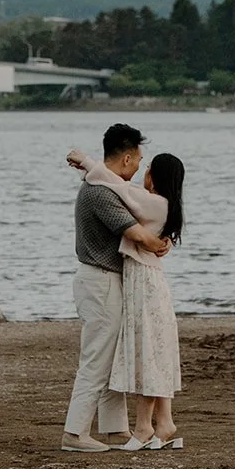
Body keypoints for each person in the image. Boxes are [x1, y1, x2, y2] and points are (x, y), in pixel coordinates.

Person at [67, 143, 185, 452]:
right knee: (105, 357)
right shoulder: (107, 193)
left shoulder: (146, 199)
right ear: (128, 157)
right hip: (111, 280)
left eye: (147, 168)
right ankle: (87, 432)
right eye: (140, 162)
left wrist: (87, 163)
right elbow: (134, 226)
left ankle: (125, 428)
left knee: (125, 354)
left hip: (134, 281)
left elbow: (127, 199)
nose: (140, 171)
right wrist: (157, 242)